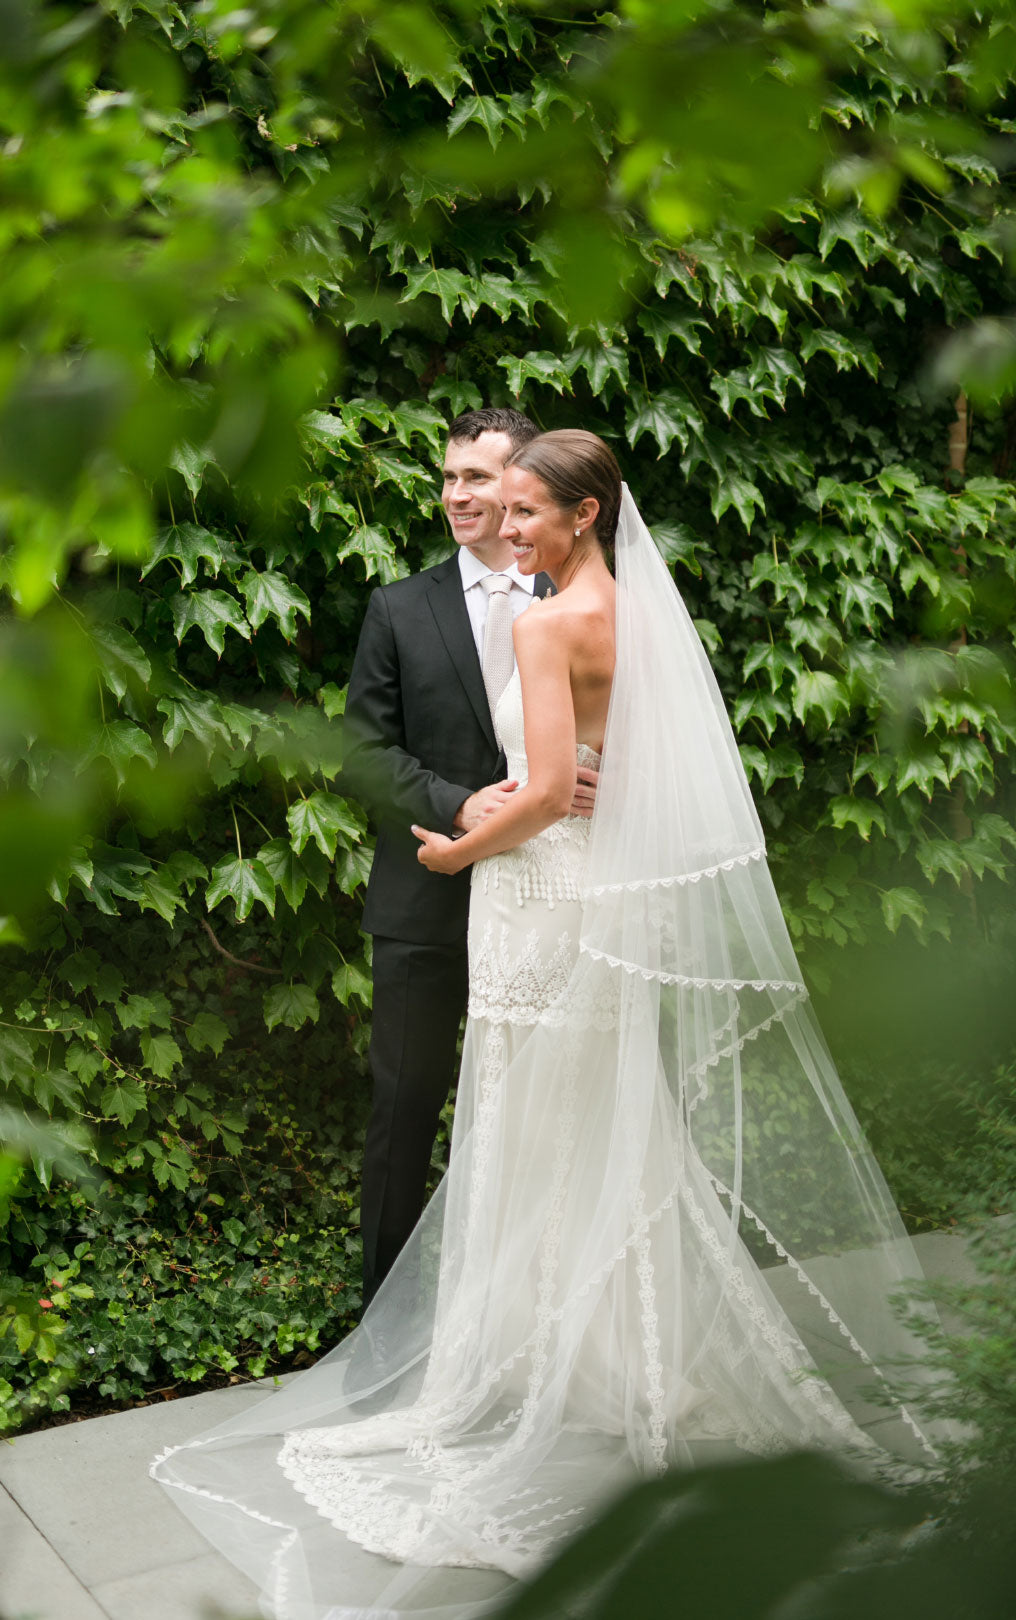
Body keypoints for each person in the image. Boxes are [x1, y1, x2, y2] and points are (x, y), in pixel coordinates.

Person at [154, 432, 939, 1619]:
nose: (503, 525)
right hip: (591, 899)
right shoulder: (627, 611)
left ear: (582, 513)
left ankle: (525, 1370)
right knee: (598, 1127)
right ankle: (610, 1357)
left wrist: (460, 844)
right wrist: (526, 805)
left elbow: (535, 794)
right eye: (493, 503)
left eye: (525, 509)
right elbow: (617, 766)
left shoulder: (540, 620)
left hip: (535, 898)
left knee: (529, 1121)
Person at [339, 407, 597, 1304]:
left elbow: (635, 735)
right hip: (424, 902)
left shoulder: (578, 600)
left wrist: (604, 780)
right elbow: (360, 754)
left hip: (544, 906)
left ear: (526, 484)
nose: (456, 494)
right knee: (405, 1113)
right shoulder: (398, 608)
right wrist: (460, 804)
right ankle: (382, 1331)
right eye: (448, 478)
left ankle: (517, 1324)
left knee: (540, 1123)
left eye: (477, 479)